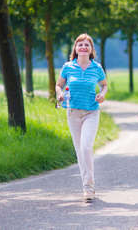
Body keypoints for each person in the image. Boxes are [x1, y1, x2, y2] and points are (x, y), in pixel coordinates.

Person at [56, 33, 107, 202]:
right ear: (75, 49)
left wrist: (102, 94)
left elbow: (104, 85)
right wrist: (60, 94)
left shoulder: (97, 68)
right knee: (79, 151)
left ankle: (89, 187)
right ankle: (87, 187)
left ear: (91, 49)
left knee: (86, 147)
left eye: (87, 45)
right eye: (80, 44)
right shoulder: (68, 67)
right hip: (72, 112)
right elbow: (59, 85)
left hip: (91, 112)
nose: (83, 47)